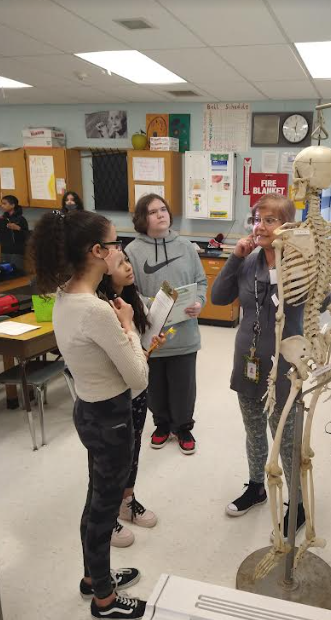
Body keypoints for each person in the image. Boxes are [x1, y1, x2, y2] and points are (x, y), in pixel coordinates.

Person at [29, 210, 152, 620]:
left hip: (89, 412)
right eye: (116, 243)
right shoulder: (96, 311)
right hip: (111, 419)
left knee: (95, 499)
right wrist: (130, 327)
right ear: (97, 251)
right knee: (103, 509)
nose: (121, 250)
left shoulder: (65, 294)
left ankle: (92, 577)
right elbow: (137, 377)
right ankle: (105, 599)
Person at [211, 194, 306, 537]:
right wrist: (234, 259)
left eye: (270, 220)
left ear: (287, 227)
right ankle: (257, 486)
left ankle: (297, 504)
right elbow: (218, 298)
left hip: (284, 366)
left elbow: (321, 300)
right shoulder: (248, 262)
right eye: (258, 219)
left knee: (288, 438)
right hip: (248, 361)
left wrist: (296, 261)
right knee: (253, 430)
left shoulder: (298, 264)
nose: (260, 226)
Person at [126, 194, 207, 455]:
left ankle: (183, 427)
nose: (161, 214)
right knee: (156, 386)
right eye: (153, 211)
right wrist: (145, 306)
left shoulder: (186, 246)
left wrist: (199, 302)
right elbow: (129, 290)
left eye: (164, 209)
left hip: (184, 333)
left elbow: (201, 282)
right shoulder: (132, 251)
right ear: (142, 218)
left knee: (184, 386)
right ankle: (161, 425)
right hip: (152, 334)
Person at [97, 252, 159, 549]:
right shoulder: (102, 309)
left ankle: (127, 501)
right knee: (113, 458)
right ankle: (107, 516)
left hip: (137, 387)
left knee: (132, 449)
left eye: (128, 261)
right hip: (114, 393)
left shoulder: (133, 300)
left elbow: (138, 345)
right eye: (120, 263)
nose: (129, 267)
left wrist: (150, 346)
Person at [0, 194, 29, 269]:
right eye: (1, 203)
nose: (2, 205)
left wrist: (18, 229)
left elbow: (27, 236)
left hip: (17, 252)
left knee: (16, 273)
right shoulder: (2, 219)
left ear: (12, 205)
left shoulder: (21, 219)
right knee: (5, 273)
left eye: (4, 203)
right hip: (5, 250)